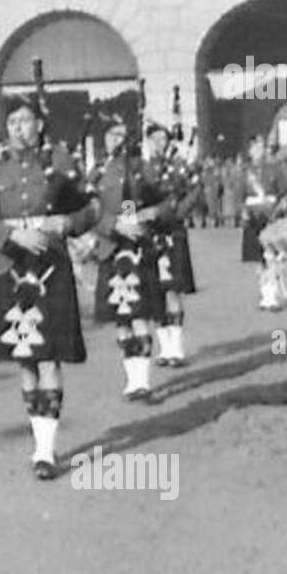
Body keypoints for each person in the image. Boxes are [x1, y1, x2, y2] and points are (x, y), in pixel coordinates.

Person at [0, 96, 98, 480]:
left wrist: (66, 224)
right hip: (13, 266)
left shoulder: (60, 163)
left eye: (25, 120)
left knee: (49, 356)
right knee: (25, 358)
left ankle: (46, 449)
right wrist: (11, 234)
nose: (17, 128)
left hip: (51, 267)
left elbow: (91, 209)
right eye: (12, 121)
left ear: (39, 125)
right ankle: (37, 436)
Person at [90, 116, 172, 400]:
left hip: (138, 248)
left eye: (122, 135)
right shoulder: (96, 172)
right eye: (112, 135)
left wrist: (151, 214)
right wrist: (112, 225)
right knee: (121, 319)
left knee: (140, 314)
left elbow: (166, 200)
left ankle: (142, 380)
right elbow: (88, 211)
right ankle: (130, 375)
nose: (117, 140)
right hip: (111, 249)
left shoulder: (141, 168)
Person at [143, 122, 198, 369]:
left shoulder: (179, 166)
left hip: (172, 232)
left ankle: (176, 347)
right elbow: (126, 198)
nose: (159, 144)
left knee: (173, 288)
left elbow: (194, 192)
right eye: (155, 139)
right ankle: (164, 347)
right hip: (147, 235)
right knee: (153, 292)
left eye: (163, 139)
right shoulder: (139, 170)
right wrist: (132, 219)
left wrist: (178, 212)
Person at [241, 134, 287, 311]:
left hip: (271, 216)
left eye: (261, 147)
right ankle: (264, 294)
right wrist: (243, 212)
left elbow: (285, 193)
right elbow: (240, 196)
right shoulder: (245, 171)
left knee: (271, 257)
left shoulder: (274, 169)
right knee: (257, 259)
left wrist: (281, 208)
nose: (259, 151)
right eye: (256, 147)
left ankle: (272, 296)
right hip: (252, 218)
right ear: (250, 150)